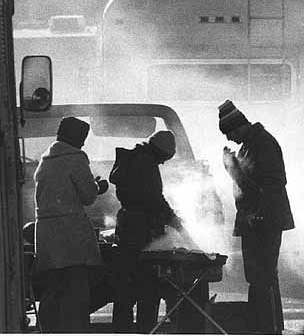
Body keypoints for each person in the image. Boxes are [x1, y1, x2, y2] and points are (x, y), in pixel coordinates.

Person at [218, 99, 295, 334]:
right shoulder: (252, 144)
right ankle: (262, 325)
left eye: (229, 132)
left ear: (238, 126)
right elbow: (252, 185)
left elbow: (274, 183)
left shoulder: (262, 144)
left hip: (263, 221)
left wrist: (259, 213)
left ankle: (266, 327)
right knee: (259, 277)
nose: (229, 138)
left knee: (263, 277)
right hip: (256, 220)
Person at [32, 116, 109, 333]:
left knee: (52, 289)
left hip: (47, 234)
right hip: (70, 234)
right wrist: (99, 185)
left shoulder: (45, 159)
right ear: (76, 137)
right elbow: (88, 196)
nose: (84, 143)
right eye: (82, 138)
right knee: (77, 289)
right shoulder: (76, 157)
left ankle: (47, 330)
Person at [110, 130, 188, 333]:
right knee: (148, 286)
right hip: (142, 230)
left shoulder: (135, 158)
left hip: (127, 227)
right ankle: (146, 331)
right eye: (164, 158)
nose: (163, 163)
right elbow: (155, 199)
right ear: (160, 152)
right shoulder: (147, 163)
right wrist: (175, 222)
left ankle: (122, 330)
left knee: (125, 290)